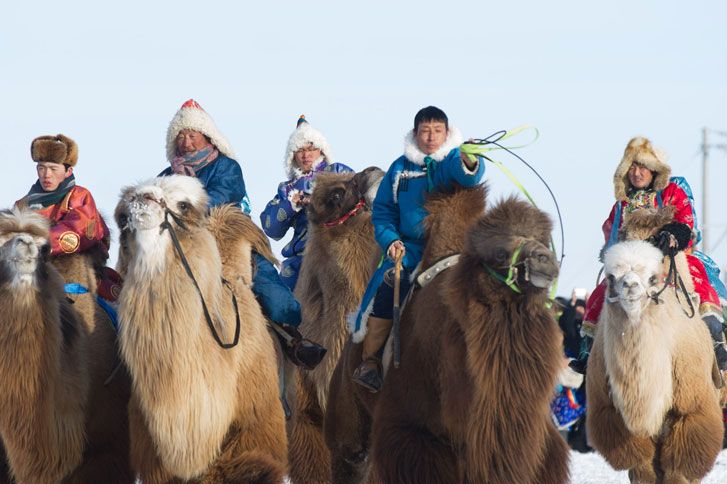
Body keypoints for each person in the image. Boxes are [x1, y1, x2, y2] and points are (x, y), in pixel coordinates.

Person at [159, 99, 323, 368]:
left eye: (192, 135)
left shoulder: (226, 166)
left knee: (276, 297)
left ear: (206, 136)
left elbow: (219, 198)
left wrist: (181, 206)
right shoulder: (167, 174)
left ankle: (292, 341)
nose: (186, 142)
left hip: (226, 234)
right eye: (181, 136)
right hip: (181, 243)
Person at [579, 137, 727, 373]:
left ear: (654, 170)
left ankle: (716, 340)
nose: (637, 173)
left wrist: (671, 235)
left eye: (642, 167)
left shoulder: (673, 191)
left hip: (669, 255)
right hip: (632, 264)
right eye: (632, 167)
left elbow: (687, 223)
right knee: (599, 295)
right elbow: (612, 237)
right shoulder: (621, 205)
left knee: (700, 281)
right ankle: (588, 352)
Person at [351, 106, 485, 392]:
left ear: (447, 133)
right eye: (425, 131)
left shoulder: (451, 160)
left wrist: (470, 159)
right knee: (388, 285)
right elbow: (384, 212)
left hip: (454, 249)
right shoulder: (400, 168)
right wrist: (392, 241)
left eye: (437, 131)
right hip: (409, 251)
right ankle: (371, 360)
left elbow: (468, 176)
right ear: (415, 133)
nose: (431, 137)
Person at [260, 115, 353, 289]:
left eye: (311, 148)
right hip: (301, 257)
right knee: (280, 300)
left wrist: (319, 198)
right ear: (293, 155)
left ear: (321, 150)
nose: (306, 155)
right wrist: (290, 204)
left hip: (338, 250)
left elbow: (357, 199)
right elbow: (271, 228)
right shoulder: (286, 188)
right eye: (300, 150)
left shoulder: (338, 171)